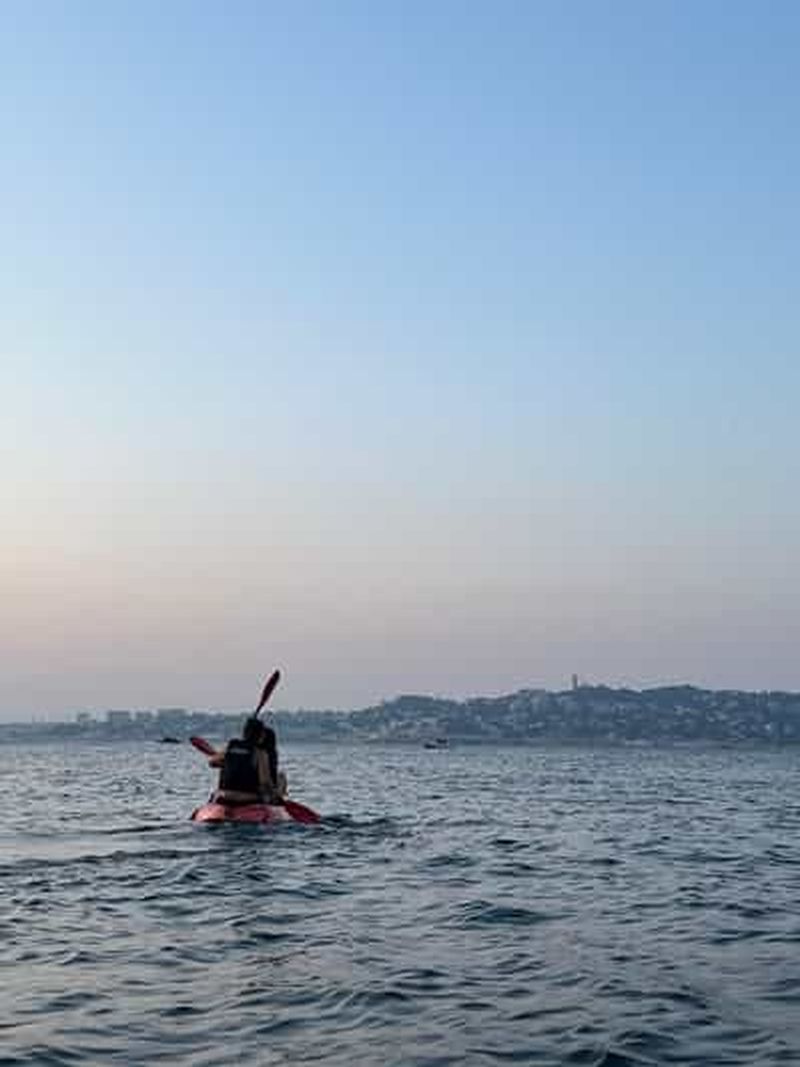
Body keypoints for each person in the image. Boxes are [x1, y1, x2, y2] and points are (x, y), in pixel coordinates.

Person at [208, 717, 287, 805]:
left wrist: (230, 762)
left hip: (224, 795)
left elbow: (211, 762)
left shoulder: (230, 747)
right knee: (279, 780)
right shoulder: (260, 754)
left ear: (244, 733)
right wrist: (276, 794)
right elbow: (265, 784)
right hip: (247, 798)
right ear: (261, 736)